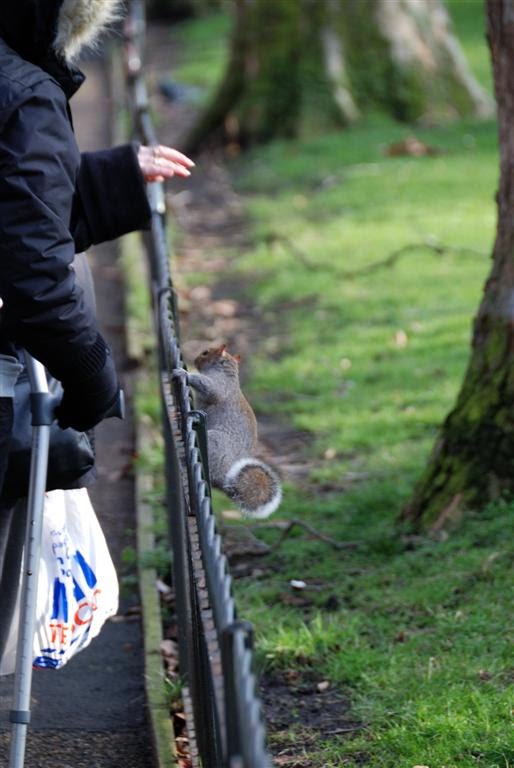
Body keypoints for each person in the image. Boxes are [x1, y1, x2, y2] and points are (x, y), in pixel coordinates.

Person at [0, 0, 194, 496]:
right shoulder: (25, 93)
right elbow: (34, 274)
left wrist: (114, 179)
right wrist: (93, 378)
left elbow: (18, 210)